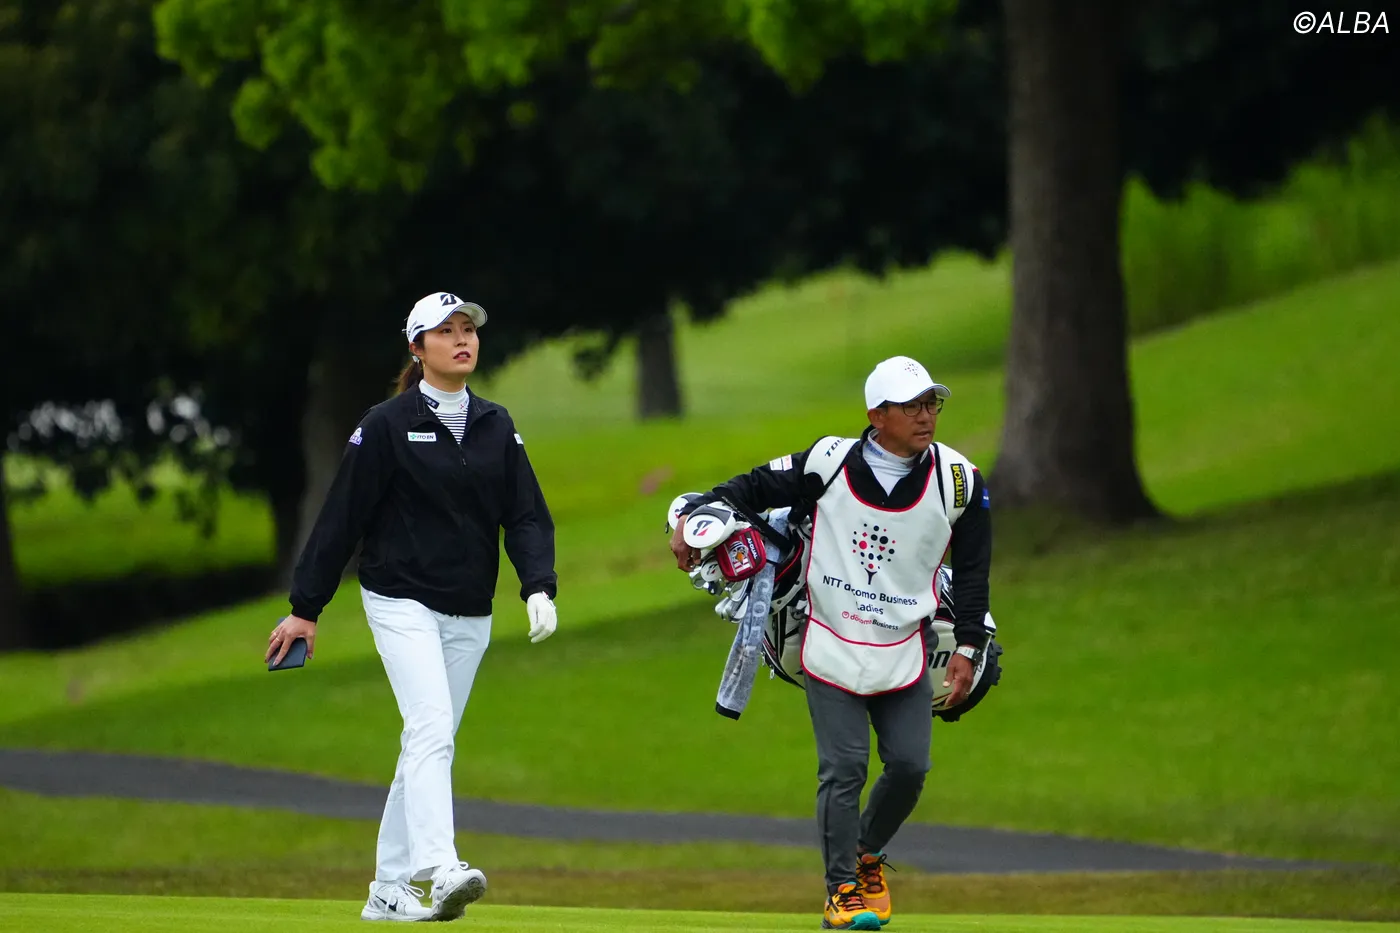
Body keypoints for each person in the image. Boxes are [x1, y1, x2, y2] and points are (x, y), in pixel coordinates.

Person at [669, 356, 992, 931]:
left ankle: (865, 856)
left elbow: (972, 572)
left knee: (910, 767)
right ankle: (841, 892)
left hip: (905, 647)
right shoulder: (829, 461)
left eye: (932, 404)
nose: (926, 416)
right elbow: (746, 488)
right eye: (912, 406)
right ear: (877, 415)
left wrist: (968, 647)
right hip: (831, 641)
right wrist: (692, 518)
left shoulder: (958, 480)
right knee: (843, 769)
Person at [267, 292, 560, 923]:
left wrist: (538, 584)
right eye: (446, 331)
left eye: (468, 330)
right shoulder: (386, 424)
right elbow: (342, 516)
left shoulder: (496, 424)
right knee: (430, 728)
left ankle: (388, 889)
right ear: (417, 348)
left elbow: (526, 514)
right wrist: (306, 606)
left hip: (469, 607)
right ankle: (440, 868)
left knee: (429, 739)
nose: (462, 340)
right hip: (399, 597)